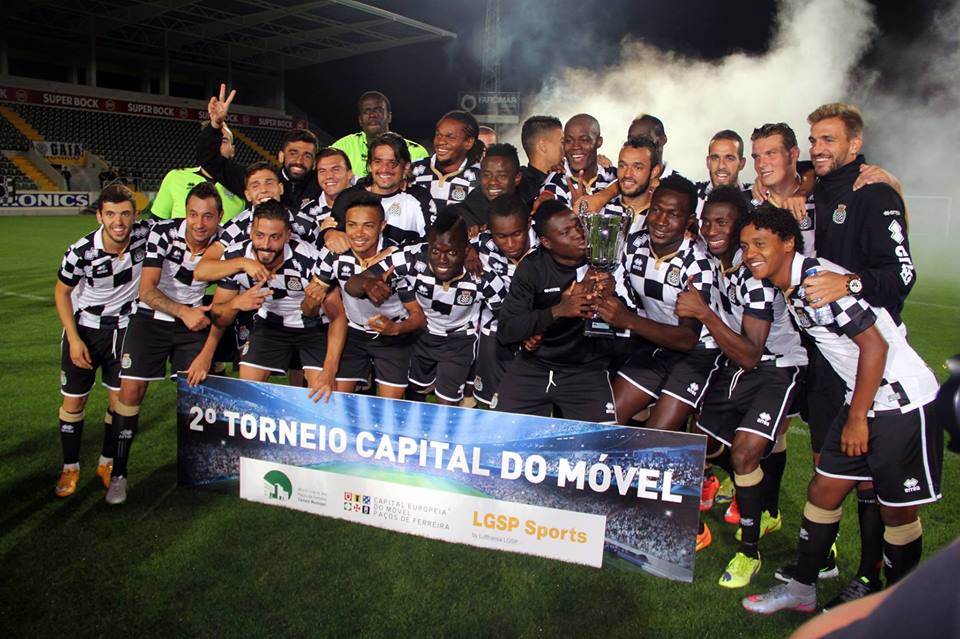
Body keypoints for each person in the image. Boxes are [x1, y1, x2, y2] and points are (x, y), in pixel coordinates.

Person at [740, 204, 940, 614]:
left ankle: (900, 607)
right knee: (823, 490)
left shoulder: (817, 284)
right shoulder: (793, 283)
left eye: (760, 243)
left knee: (896, 513)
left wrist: (856, 418)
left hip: (900, 400)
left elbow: (875, 346)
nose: (750, 253)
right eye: (745, 246)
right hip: (863, 397)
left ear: (788, 243)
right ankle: (802, 589)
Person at [781, 103, 920, 608]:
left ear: (854, 146)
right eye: (813, 140)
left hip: (869, 354)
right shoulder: (815, 190)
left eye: (828, 140)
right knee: (828, 466)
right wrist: (795, 193)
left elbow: (902, 275)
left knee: (873, 483)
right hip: (826, 358)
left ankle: (870, 574)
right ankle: (825, 563)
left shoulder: (872, 190)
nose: (818, 149)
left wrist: (850, 282)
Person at [676, 186, 807, 587]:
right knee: (702, 442)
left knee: (746, 454)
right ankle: (735, 511)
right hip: (736, 364)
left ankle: (749, 551)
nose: (712, 230)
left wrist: (701, 311)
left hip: (776, 368)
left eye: (723, 223)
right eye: (708, 222)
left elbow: (752, 354)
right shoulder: (719, 261)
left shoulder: (754, 275)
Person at [593, 175, 720, 550]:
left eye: (674, 214)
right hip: (655, 344)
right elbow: (628, 299)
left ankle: (691, 525)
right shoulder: (632, 246)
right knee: (608, 416)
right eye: (657, 211)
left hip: (696, 353)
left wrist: (627, 321)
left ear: (689, 220)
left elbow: (687, 336)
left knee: (658, 435)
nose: (662, 221)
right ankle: (615, 502)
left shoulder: (699, 265)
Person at [108, 183, 227, 504]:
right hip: (150, 319)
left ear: (219, 218)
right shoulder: (163, 233)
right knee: (130, 393)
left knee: (197, 397)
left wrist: (204, 341)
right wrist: (183, 312)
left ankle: (199, 470)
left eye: (207, 216)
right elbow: (146, 289)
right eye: (192, 214)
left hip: (195, 323)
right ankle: (118, 473)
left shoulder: (227, 242)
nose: (199, 223)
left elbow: (226, 300)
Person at [53, 185, 151, 497]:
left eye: (125, 213)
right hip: (84, 330)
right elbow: (61, 292)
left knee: (118, 403)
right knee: (74, 401)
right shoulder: (81, 252)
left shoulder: (144, 234)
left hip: (123, 330)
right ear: (99, 216)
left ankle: (107, 462)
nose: (118, 221)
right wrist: (73, 337)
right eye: (110, 214)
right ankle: (70, 468)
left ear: (135, 215)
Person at [347, 209, 494, 405]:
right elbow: (352, 285)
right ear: (427, 245)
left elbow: (506, 314)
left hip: (459, 340)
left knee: (447, 405)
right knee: (416, 393)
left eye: (451, 252)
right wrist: (367, 284)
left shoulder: (483, 274)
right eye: (435, 251)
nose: (442, 260)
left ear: (466, 250)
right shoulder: (411, 258)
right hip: (422, 334)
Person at [493, 199, 623, 422]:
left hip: (585, 370)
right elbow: (507, 330)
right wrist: (559, 309)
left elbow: (627, 324)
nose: (577, 234)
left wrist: (609, 297)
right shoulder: (532, 268)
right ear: (547, 242)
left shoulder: (606, 260)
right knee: (500, 436)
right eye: (565, 232)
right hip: (535, 365)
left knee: (600, 447)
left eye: (578, 226)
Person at [208, 200, 346, 401]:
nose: (265, 245)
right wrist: (236, 303)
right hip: (271, 322)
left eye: (275, 237)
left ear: (287, 236)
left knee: (323, 397)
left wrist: (329, 370)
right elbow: (219, 316)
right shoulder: (235, 256)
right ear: (250, 232)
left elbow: (338, 318)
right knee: (248, 394)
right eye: (260, 235)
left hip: (315, 326)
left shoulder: (310, 258)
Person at [310, 193, 425, 399]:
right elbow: (313, 309)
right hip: (353, 332)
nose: (358, 233)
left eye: (368, 226)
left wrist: (395, 329)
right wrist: (310, 300)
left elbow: (418, 315)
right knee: (335, 399)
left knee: (391, 406)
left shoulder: (398, 258)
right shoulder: (332, 254)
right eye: (352, 225)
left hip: (393, 335)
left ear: (382, 225)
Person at [199, 84, 321, 211]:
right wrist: (215, 125)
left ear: (314, 163)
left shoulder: (323, 184)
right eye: (293, 153)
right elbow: (210, 161)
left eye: (307, 155)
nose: (299, 160)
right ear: (281, 156)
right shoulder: (256, 178)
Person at [472, 194, 536, 406]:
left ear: (528, 223)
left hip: (538, 328)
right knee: (491, 404)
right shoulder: (481, 245)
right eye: (501, 236)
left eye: (517, 234)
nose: (510, 244)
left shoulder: (548, 243)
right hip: (496, 329)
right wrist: (464, 250)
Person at [329, 132, 436, 248]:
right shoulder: (348, 197)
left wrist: (392, 255)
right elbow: (331, 238)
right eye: (378, 162)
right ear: (369, 166)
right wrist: (328, 233)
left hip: (402, 265)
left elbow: (431, 244)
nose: (384, 169)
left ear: (405, 167)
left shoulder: (419, 196)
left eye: (393, 162)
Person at [148, 123, 246, 222]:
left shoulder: (245, 183)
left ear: (232, 150)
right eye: (213, 142)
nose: (217, 146)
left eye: (224, 141)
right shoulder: (175, 177)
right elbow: (156, 222)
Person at [330, 91, 428, 178]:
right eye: (366, 111)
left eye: (378, 110)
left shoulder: (416, 152)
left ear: (389, 117)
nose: (372, 115)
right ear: (360, 120)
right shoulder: (342, 147)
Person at [410, 110, 484, 212]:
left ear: (468, 142)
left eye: (450, 137)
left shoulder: (482, 177)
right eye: (438, 135)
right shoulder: (412, 170)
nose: (440, 141)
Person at [539, 113, 617, 206]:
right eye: (569, 141)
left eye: (584, 140)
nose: (575, 147)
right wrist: (577, 210)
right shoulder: (555, 182)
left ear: (599, 142)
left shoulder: (614, 177)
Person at [458, 143, 522, 235]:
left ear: (517, 178)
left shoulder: (533, 196)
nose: (493, 182)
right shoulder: (468, 214)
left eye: (502, 176)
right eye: (486, 175)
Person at [602, 136, 663, 233]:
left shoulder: (662, 218)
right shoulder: (601, 209)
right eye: (622, 166)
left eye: (638, 167)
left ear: (654, 171)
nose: (627, 174)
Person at [696, 130, 751, 217]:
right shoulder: (692, 196)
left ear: (742, 163)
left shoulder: (755, 197)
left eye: (729, 158)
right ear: (708, 162)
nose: (721, 166)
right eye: (715, 158)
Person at [517, 115, 565, 208]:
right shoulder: (521, 187)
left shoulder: (566, 177)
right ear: (543, 146)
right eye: (562, 142)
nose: (567, 147)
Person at [628, 114, 682, 179]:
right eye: (631, 140)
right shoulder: (619, 182)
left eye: (643, 139)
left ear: (662, 140)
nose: (634, 145)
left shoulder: (683, 187)